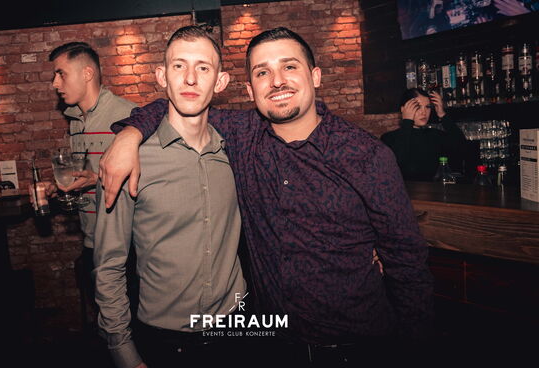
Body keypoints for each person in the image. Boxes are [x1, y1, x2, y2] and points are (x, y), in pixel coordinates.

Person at [99, 27, 434, 366]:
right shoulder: (242, 136)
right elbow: (181, 101)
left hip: (357, 349)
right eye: (262, 72)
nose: (277, 81)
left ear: (315, 76)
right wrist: (130, 134)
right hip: (269, 345)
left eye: (289, 66)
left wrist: (415, 352)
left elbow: (408, 263)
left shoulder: (366, 155)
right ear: (249, 89)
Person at [92, 26, 246, 368]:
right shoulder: (128, 160)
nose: (190, 78)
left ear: (220, 81)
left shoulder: (237, 150)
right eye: (179, 66)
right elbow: (108, 265)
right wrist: (123, 352)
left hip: (237, 327)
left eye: (203, 67)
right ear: (162, 76)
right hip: (165, 342)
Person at [37, 42, 137, 328]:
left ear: (87, 74)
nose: (55, 84)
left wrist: (97, 179)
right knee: (109, 325)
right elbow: (84, 174)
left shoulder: (128, 115)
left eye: (61, 74)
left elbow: (148, 179)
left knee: (134, 326)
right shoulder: (75, 121)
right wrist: (57, 186)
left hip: (127, 247)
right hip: (92, 240)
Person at [381, 88, 466, 182]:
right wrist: (407, 122)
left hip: (434, 191)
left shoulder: (434, 136)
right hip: (403, 191)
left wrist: (442, 114)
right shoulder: (389, 138)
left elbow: (462, 146)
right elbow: (397, 163)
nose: (424, 112)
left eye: (427, 107)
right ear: (403, 109)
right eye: (417, 107)